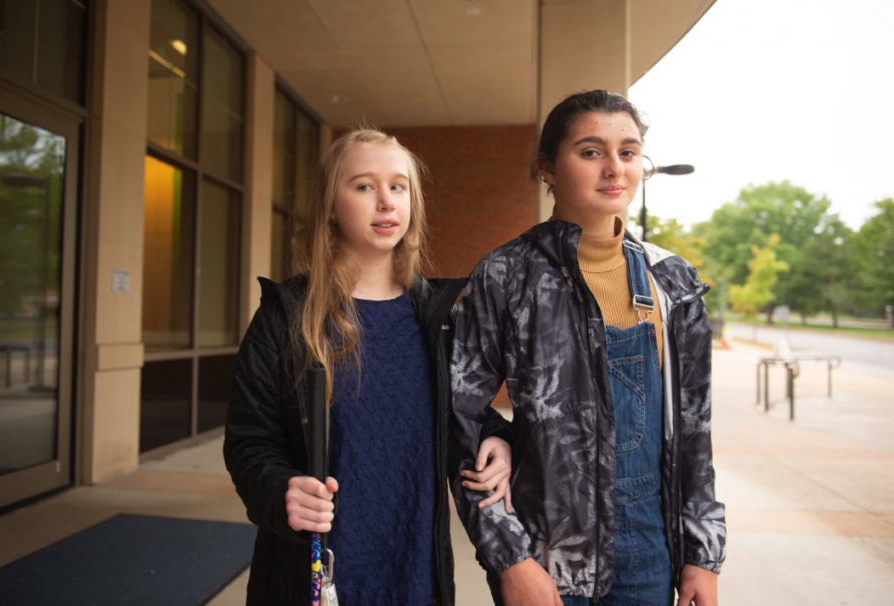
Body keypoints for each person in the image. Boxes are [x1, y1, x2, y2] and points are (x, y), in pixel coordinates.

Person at [449, 90, 726, 606]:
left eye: (628, 151)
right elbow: (459, 412)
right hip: (546, 555)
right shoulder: (507, 275)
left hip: (650, 553)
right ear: (548, 168)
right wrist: (510, 559)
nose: (615, 168)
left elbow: (695, 433)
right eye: (591, 151)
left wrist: (702, 555)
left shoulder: (673, 281)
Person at [224, 128, 514, 606]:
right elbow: (250, 441)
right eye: (364, 186)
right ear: (330, 206)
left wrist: (501, 439)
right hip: (315, 579)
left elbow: (467, 414)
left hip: (415, 576)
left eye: (398, 186)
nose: (386, 202)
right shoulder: (287, 316)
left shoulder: (438, 320)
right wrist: (280, 491)